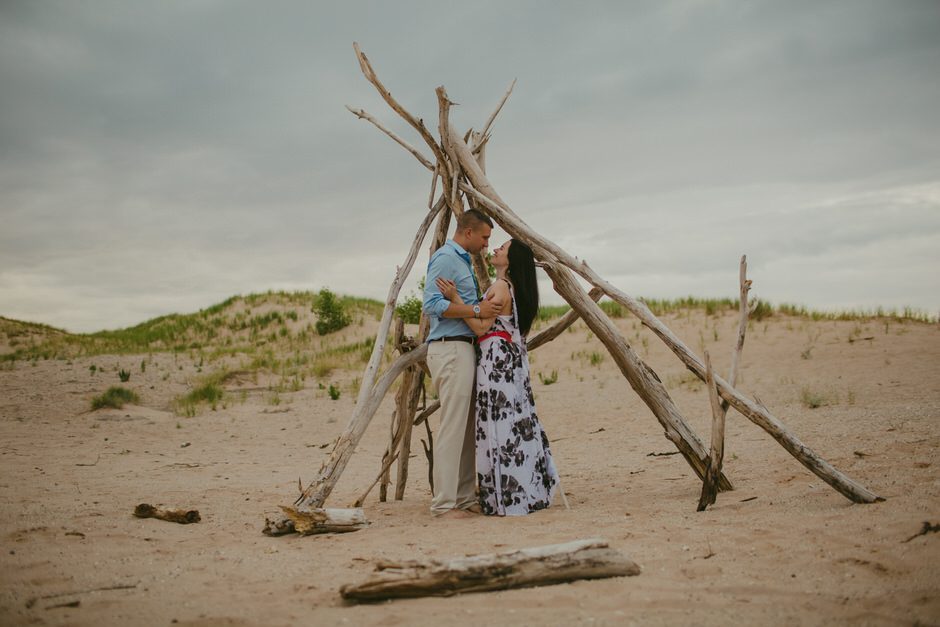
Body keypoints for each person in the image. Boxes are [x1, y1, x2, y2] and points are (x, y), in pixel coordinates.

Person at [436, 238, 560, 516]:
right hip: (510, 361)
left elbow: (481, 327)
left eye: (502, 248)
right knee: (515, 422)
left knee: (499, 424)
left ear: (511, 260)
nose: (495, 250)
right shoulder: (514, 288)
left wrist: (456, 300)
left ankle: (505, 496)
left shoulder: (501, 287)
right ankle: (527, 490)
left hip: (496, 362)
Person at [422, 209, 503, 519]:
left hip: (465, 349)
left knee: (468, 429)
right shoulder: (445, 258)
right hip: (450, 349)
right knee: (453, 428)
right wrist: (475, 307)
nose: (486, 244)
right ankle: (443, 504)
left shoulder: (463, 260)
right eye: (484, 237)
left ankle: (464, 496)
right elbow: (432, 305)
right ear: (468, 232)